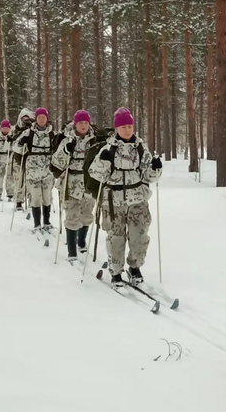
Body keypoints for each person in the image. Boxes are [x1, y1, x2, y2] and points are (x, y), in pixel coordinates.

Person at [87, 107, 162, 285]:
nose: (127, 130)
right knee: (116, 237)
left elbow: (150, 177)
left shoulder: (141, 149)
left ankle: (135, 267)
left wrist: (155, 168)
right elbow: (95, 174)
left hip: (138, 200)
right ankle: (115, 271)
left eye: (130, 126)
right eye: (124, 127)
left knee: (140, 236)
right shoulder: (108, 149)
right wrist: (102, 161)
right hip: (114, 201)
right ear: (117, 129)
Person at [51, 110, 97, 263]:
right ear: (75, 124)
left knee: (86, 214)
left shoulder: (95, 141)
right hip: (70, 183)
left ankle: (81, 241)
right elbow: (56, 163)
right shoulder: (67, 140)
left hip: (88, 183)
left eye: (86, 123)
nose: (83, 126)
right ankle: (72, 251)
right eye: (80, 123)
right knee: (72, 216)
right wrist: (65, 151)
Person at [12, 107, 55, 232]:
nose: (41, 119)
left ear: (47, 119)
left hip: (47, 170)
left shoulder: (52, 133)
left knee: (47, 197)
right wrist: (21, 144)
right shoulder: (28, 133)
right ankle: (37, 223)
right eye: (39, 117)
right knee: (35, 197)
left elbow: (58, 150)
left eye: (44, 117)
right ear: (36, 119)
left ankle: (46, 221)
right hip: (32, 170)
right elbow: (15, 148)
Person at [10, 108, 35, 211]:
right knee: (18, 179)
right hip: (17, 157)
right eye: (24, 118)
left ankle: (32, 202)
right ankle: (18, 201)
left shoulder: (33, 129)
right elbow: (11, 141)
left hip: (30, 157)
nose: (25, 121)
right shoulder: (15, 129)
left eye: (27, 119)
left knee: (30, 181)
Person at [0, 120, 14, 202]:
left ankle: (10, 194)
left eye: (7, 128)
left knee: (10, 177)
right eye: (3, 128)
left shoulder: (13, 135)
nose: (5, 129)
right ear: (1, 128)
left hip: (10, 159)